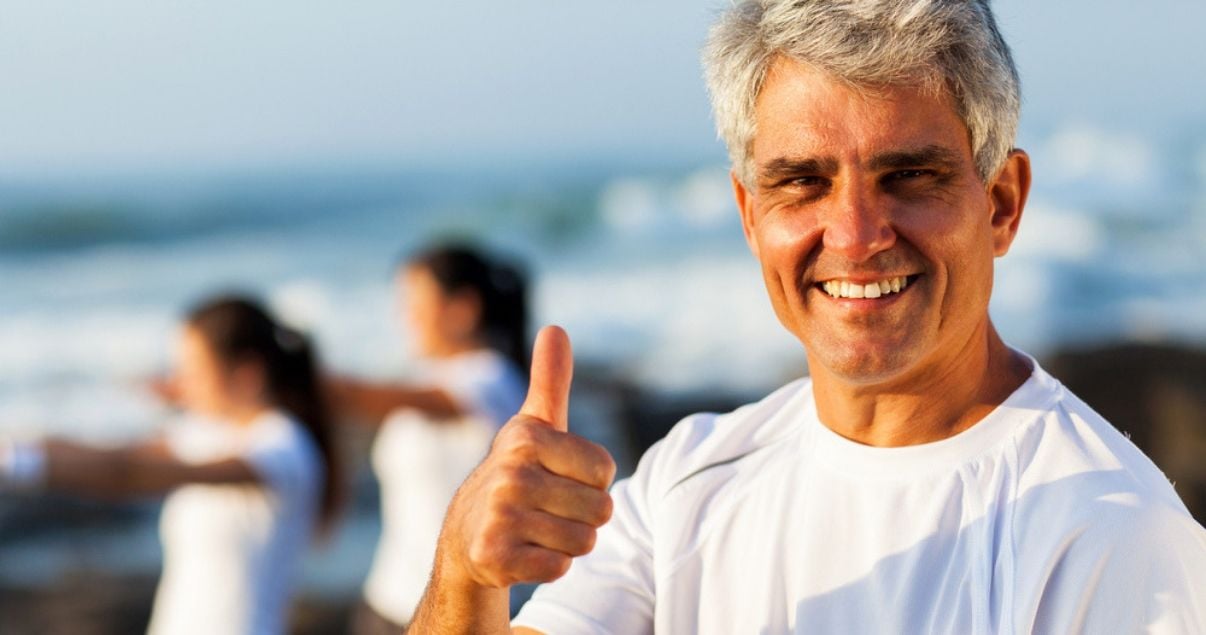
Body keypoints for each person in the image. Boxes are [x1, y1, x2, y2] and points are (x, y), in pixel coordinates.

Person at [407, 1, 1206, 633]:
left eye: (910, 176)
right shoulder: (685, 490)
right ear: (750, 214)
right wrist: (466, 575)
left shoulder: (1107, 535)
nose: (855, 235)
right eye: (803, 182)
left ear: (1002, 203)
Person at [0, 296, 340, 635]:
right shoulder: (206, 432)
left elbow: (130, 472)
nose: (179, 384)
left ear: (247, 375)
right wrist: (16, 445)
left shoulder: (283, 446)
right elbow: (115, 452)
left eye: (193, 371)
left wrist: (20, 465)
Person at [328, 243, 528, 633]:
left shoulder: (491, 378)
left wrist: (299, 381)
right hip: (389, 600)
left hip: (462, 612)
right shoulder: (426, 375)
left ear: (463, 309)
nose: (406, 318)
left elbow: (371, 398)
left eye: (416, 305)